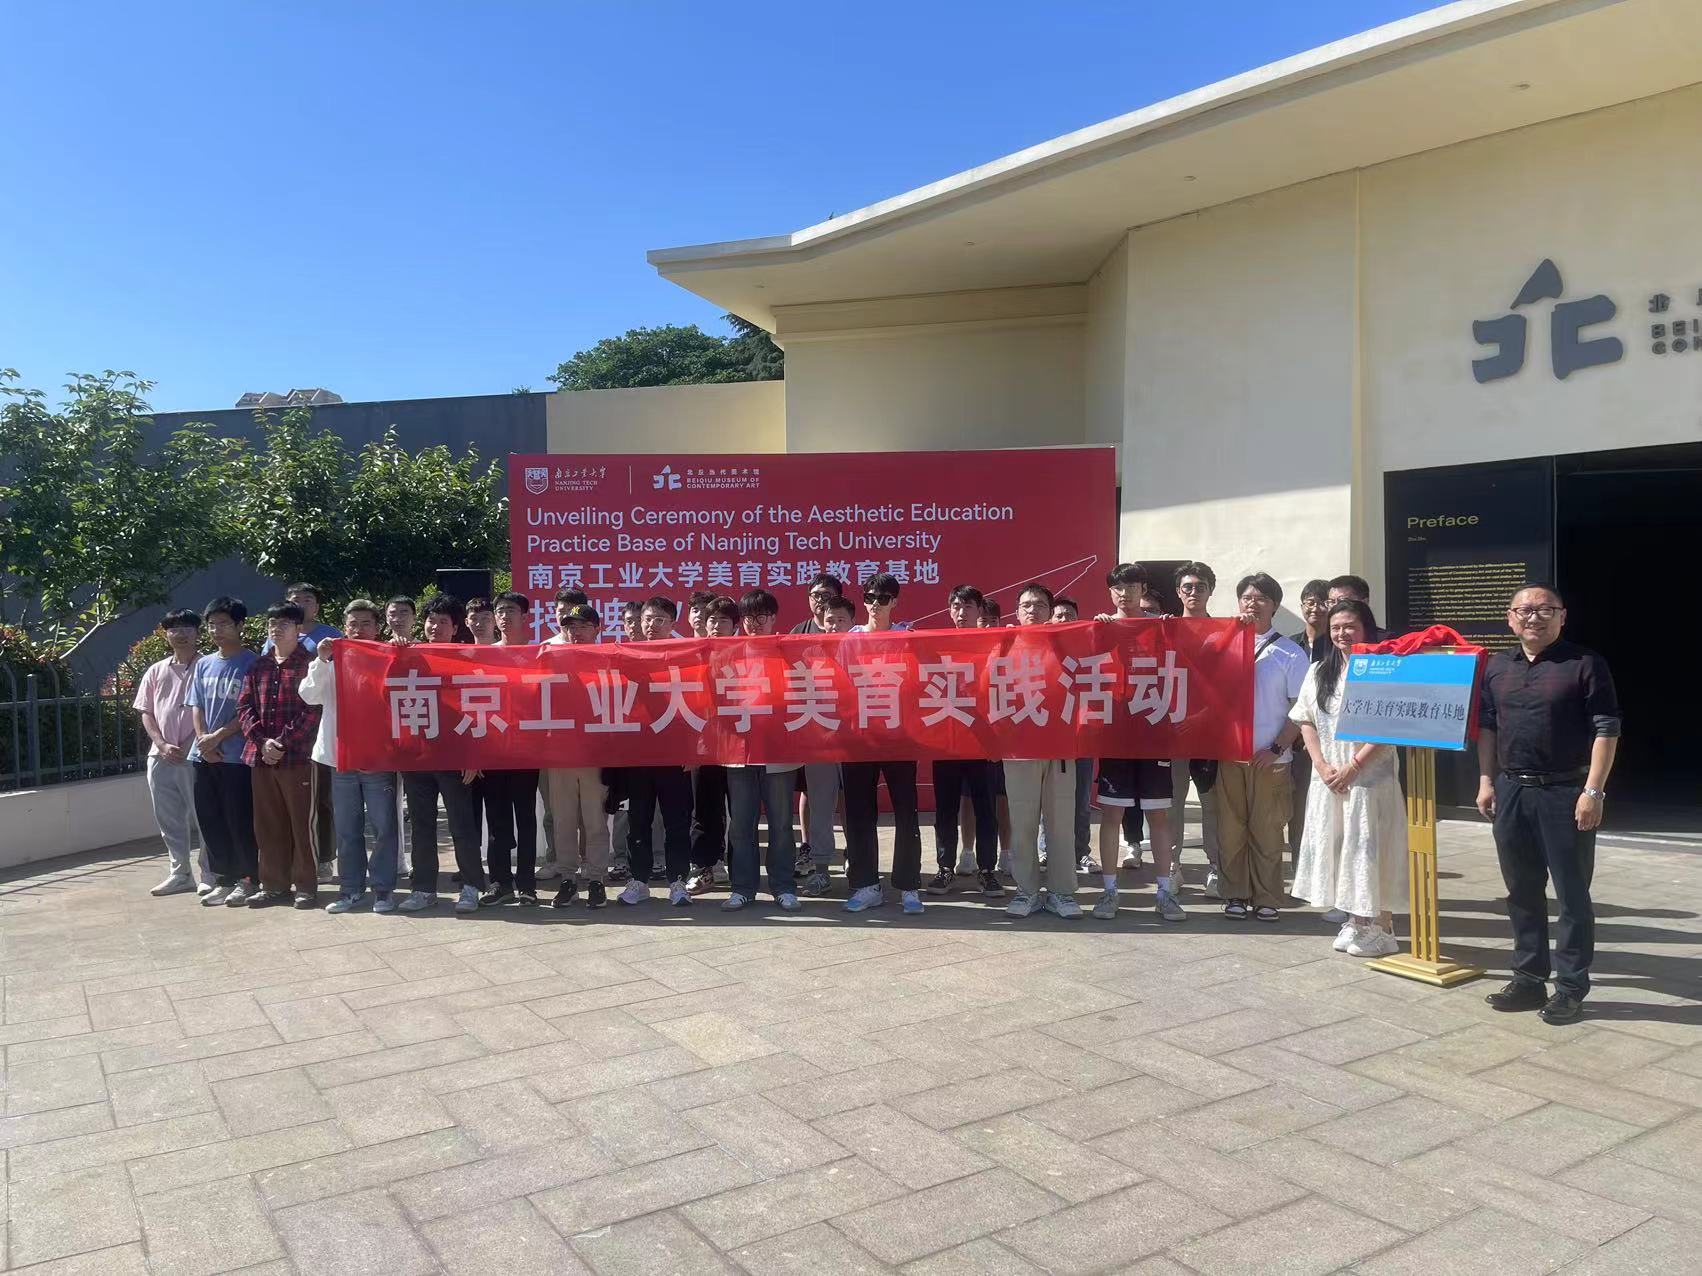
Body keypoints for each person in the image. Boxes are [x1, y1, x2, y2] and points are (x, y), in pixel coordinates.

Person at [1477, 585, 1620, 1026]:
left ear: (1562, 616)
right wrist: (1486, 780)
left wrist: (1593, 791)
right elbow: (1488, 726)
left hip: (1565, 793)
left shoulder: (1585, 663)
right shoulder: (1498, 666)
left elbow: (1607, 729)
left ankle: (1571, 988)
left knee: (1572, 895)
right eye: (1524, 610)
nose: (1533, 617)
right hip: (1511, 790)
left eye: (1544, 610)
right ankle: (1528, 979)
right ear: (1509, 617)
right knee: (1521, 890)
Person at [1290, 600, 1406, 956]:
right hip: (1329, 777)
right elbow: (1305, 719)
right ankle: (1356, 921)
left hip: (1370, 778)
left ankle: (1382, 927)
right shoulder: (1318, 671)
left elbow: (1390, 724)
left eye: (1350, 626)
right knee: (1342, 848)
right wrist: (1322, 766)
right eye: (1336, 627)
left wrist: (1353, 766)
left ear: (1366, 628)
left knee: (1371, 849)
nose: (1342, 633)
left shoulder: (1384, 669)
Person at [1091, 563, 1184, 923]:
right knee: (1112, 814)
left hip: (1153, 732)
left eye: (1131, 586)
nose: (1124, 593)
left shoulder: (1162, 626)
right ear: (1110, 592)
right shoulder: (1102, 628)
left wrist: (1173, 629)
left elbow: (1188, 658)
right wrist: (1094, 632)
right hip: (1115, 734)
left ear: (1142, 589)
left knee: (1157, 815)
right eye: (1118, 587)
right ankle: (1109, 892)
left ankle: (1164, 893)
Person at [1217, 573, 1309, 922]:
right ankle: (1235, 894)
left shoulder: (1290, 652)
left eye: (1261, 598)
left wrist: (1275, 747)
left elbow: (1300, 710)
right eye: (1247, 597)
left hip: (1271, 758)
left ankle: (1268, 896)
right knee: (1230, 830)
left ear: (1274, 606)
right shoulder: (1222, 646)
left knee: (1268, 831)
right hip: (1230, 755)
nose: (1252, 604)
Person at [300, 600, 401, 914]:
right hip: (340, 757)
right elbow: (308, 696)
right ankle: (351, 890)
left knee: (383, 827)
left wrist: (402, 652)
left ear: (377, 628)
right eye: (353, 624)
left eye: (366, 623)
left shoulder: (388, 657)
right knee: (347, 828)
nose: (359, 630)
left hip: (377, 757)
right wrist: (321, 660)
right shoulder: (331, 660)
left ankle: (383, 890)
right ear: (344, 628)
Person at [842, 573, 924, 914]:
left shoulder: (907, 637)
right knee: (859, 811)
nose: (876, 604)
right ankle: (866, 885)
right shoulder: (850, 639)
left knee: (906, 810)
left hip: (898, 734)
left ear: (895, 601)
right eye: (870, 597)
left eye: (883, 598)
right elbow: (839, 683)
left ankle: (908, 885)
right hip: (859, 734)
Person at [397, 602, 487, 915]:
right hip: (417, 756)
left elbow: (476, 709)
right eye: (431, 620)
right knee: (421, 826)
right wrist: (396, 652)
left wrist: (473, 756)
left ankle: (471, 886)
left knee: (462, 825)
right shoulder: (410, 655)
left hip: (454, 756)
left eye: (443, 622)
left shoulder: (463, 659)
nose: (435, 627)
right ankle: (423, 889)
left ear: (456, 627)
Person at [1002, 583, 1082, 919]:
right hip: (1019, 747)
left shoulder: (1065, 642)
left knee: (1061, 821)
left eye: (1039, 605)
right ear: (1017, 612)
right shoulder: (1005, 644)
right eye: (1026, 605)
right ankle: (1027, 890)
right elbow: (987, 686)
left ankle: (1062, 892)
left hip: (1060, 746)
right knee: (1022, 821)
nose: (1032, 610)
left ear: (1050, 611)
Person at [236, 602, 323, 909]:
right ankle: (274, 886)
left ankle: (306, 887)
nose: (276, 629)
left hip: (298, 758)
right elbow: (244, 707)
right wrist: (262, 742)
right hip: (260, 757)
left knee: (302, 825)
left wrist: (281, 744)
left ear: (299, 629)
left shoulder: (310, 664)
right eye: (272, 623)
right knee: (267, 824)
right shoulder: (258, 665)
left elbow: (313, 710)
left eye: (284, 624)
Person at [721, 589, 802, 912]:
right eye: (749, 617)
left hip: (778, 751)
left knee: (781, 823)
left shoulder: (786, 652)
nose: (755, 623)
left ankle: (783, 886)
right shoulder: (729, 653)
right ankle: (743, 887)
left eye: (762, 616)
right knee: (741, 824)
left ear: (773, 618)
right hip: (739, 751)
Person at [618, 596, 696, 906]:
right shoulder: (626, 656)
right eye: (648, 619)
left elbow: (697, 704)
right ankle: (639, 880)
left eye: (660, 620)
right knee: (638, 819)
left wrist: (692, 750)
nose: (652, 625)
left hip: (674, 754)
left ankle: (677, 881)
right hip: (638, 753)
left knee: (677, 820)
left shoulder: (684, 656)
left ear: (673, 624)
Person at [925, 586, 1002, 897]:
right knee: (945, 809)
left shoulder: (993, 644)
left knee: (986, 809)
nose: (961, 612)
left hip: (983, 740)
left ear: (979, 611)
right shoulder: (939, 644)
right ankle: (945, 868)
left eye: (968, 606)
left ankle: (987, 870)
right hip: (947, 739)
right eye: (956, 606)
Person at [262, 585, 342, 885]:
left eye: (308, 600)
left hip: (315, 733)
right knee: (283, 809)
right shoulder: (270, 645)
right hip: (275, 741)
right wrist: (266, 740)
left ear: (317, 607)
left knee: (321, 802)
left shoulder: (329, 636)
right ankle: (289, 864)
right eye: (295, 600)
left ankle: (324, 858)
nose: (301, 604)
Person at [186, 597, 260, 907]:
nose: (216, 630)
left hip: (237, 756)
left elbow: (253, 709)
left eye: (224, 623)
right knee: (210, 819)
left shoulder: (254, 663)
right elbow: (196, 705)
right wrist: (204, 740)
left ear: (240, 625)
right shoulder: (203, 663)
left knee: (238, 819)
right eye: (212, 624)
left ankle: (248, 879)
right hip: (203, 755)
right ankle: (223, 879)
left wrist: (219, 736)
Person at [135, 608, 213, 896]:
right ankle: (180, 873)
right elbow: (146, 711)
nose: (180, 634)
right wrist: (162, 744)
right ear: (165, 634)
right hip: (161, 755)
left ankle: (210, 873)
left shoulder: (207, 666)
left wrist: (191, 742)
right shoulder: (156, 670)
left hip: (196, 755)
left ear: (198, 633)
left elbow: (209, 710)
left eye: (187, 628)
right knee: (168, 819)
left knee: (204, 815)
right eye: (174, 629)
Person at [542, 603, 611, 909]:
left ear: (597, 629)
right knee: (564, 822)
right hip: (560, 755)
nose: (576, 632)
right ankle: (568, 879)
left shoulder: (609, 660)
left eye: (583, 626)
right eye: (570, 626)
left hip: (595, 755)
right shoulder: (549, 661)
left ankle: (596, 879)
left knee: (595, 822)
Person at [481, 592, 542, 906]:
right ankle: (500, 882)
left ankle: (527, 884)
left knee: (526, 818)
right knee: (497, 819)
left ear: (525, 617)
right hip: (493, 749)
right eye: (500, 611)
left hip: (526, 749)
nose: (505, 617)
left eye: (511, 611)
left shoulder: (538, 653)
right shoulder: (485, 655)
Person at [1171, 561, 1222, 897]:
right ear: (1178, 592)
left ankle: (1216, 868)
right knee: (1171, 802)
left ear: (1210, 591)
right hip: (1172, 730)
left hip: (1210, 731)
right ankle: (1171, 867)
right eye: (1187, 587)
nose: (1193, 592)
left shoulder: (1223, 632)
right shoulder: (1166, 630)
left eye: (1200, 586)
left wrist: (1202, 716)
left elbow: (1228, 685)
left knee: (1211, 803)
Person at [798, 594, 853, 895]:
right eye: (830, 620)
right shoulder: (810, 652)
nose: (834, 625)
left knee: (856, 807)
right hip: (819, 741)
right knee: (820, 807)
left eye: (841, 619)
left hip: (855, 742)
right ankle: (821, 871)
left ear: (852, 622)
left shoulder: (862, 651)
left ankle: (859, 863)